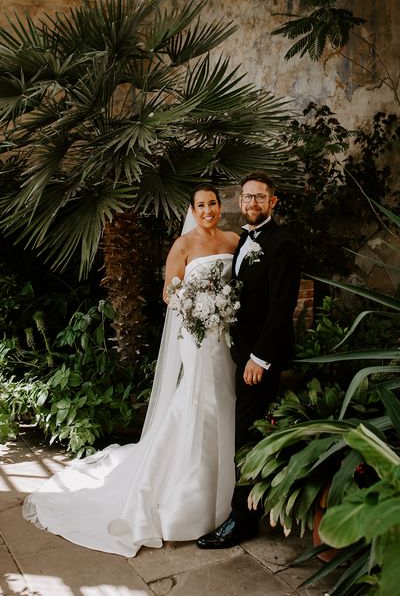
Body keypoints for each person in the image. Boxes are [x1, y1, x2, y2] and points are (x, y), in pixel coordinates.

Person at [22, 184, 240, 558]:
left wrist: (222, 304)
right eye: (202, 205)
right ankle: (186, 490)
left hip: (225, 333)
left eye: (213, 204)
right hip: (196, 334)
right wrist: (193, 299)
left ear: (220, 207)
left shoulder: (234, 240)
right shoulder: (183, 245)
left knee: (224, 395)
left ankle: (223, 479)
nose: (208, 210)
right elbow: (168, 293)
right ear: (193, 208)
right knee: (198, 397)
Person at [197, 171, 301, 549]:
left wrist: (259, 358)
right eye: (247, 197)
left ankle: (241, 520)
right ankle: (254, 507)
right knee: (248, 432)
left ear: (273, 202)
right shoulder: (243, 239)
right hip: (240, 355)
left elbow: (281, 306)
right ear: (240, 201)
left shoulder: (282, 243)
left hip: (261, 359)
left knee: (245, 437)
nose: (252, 203)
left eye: (260, 198)